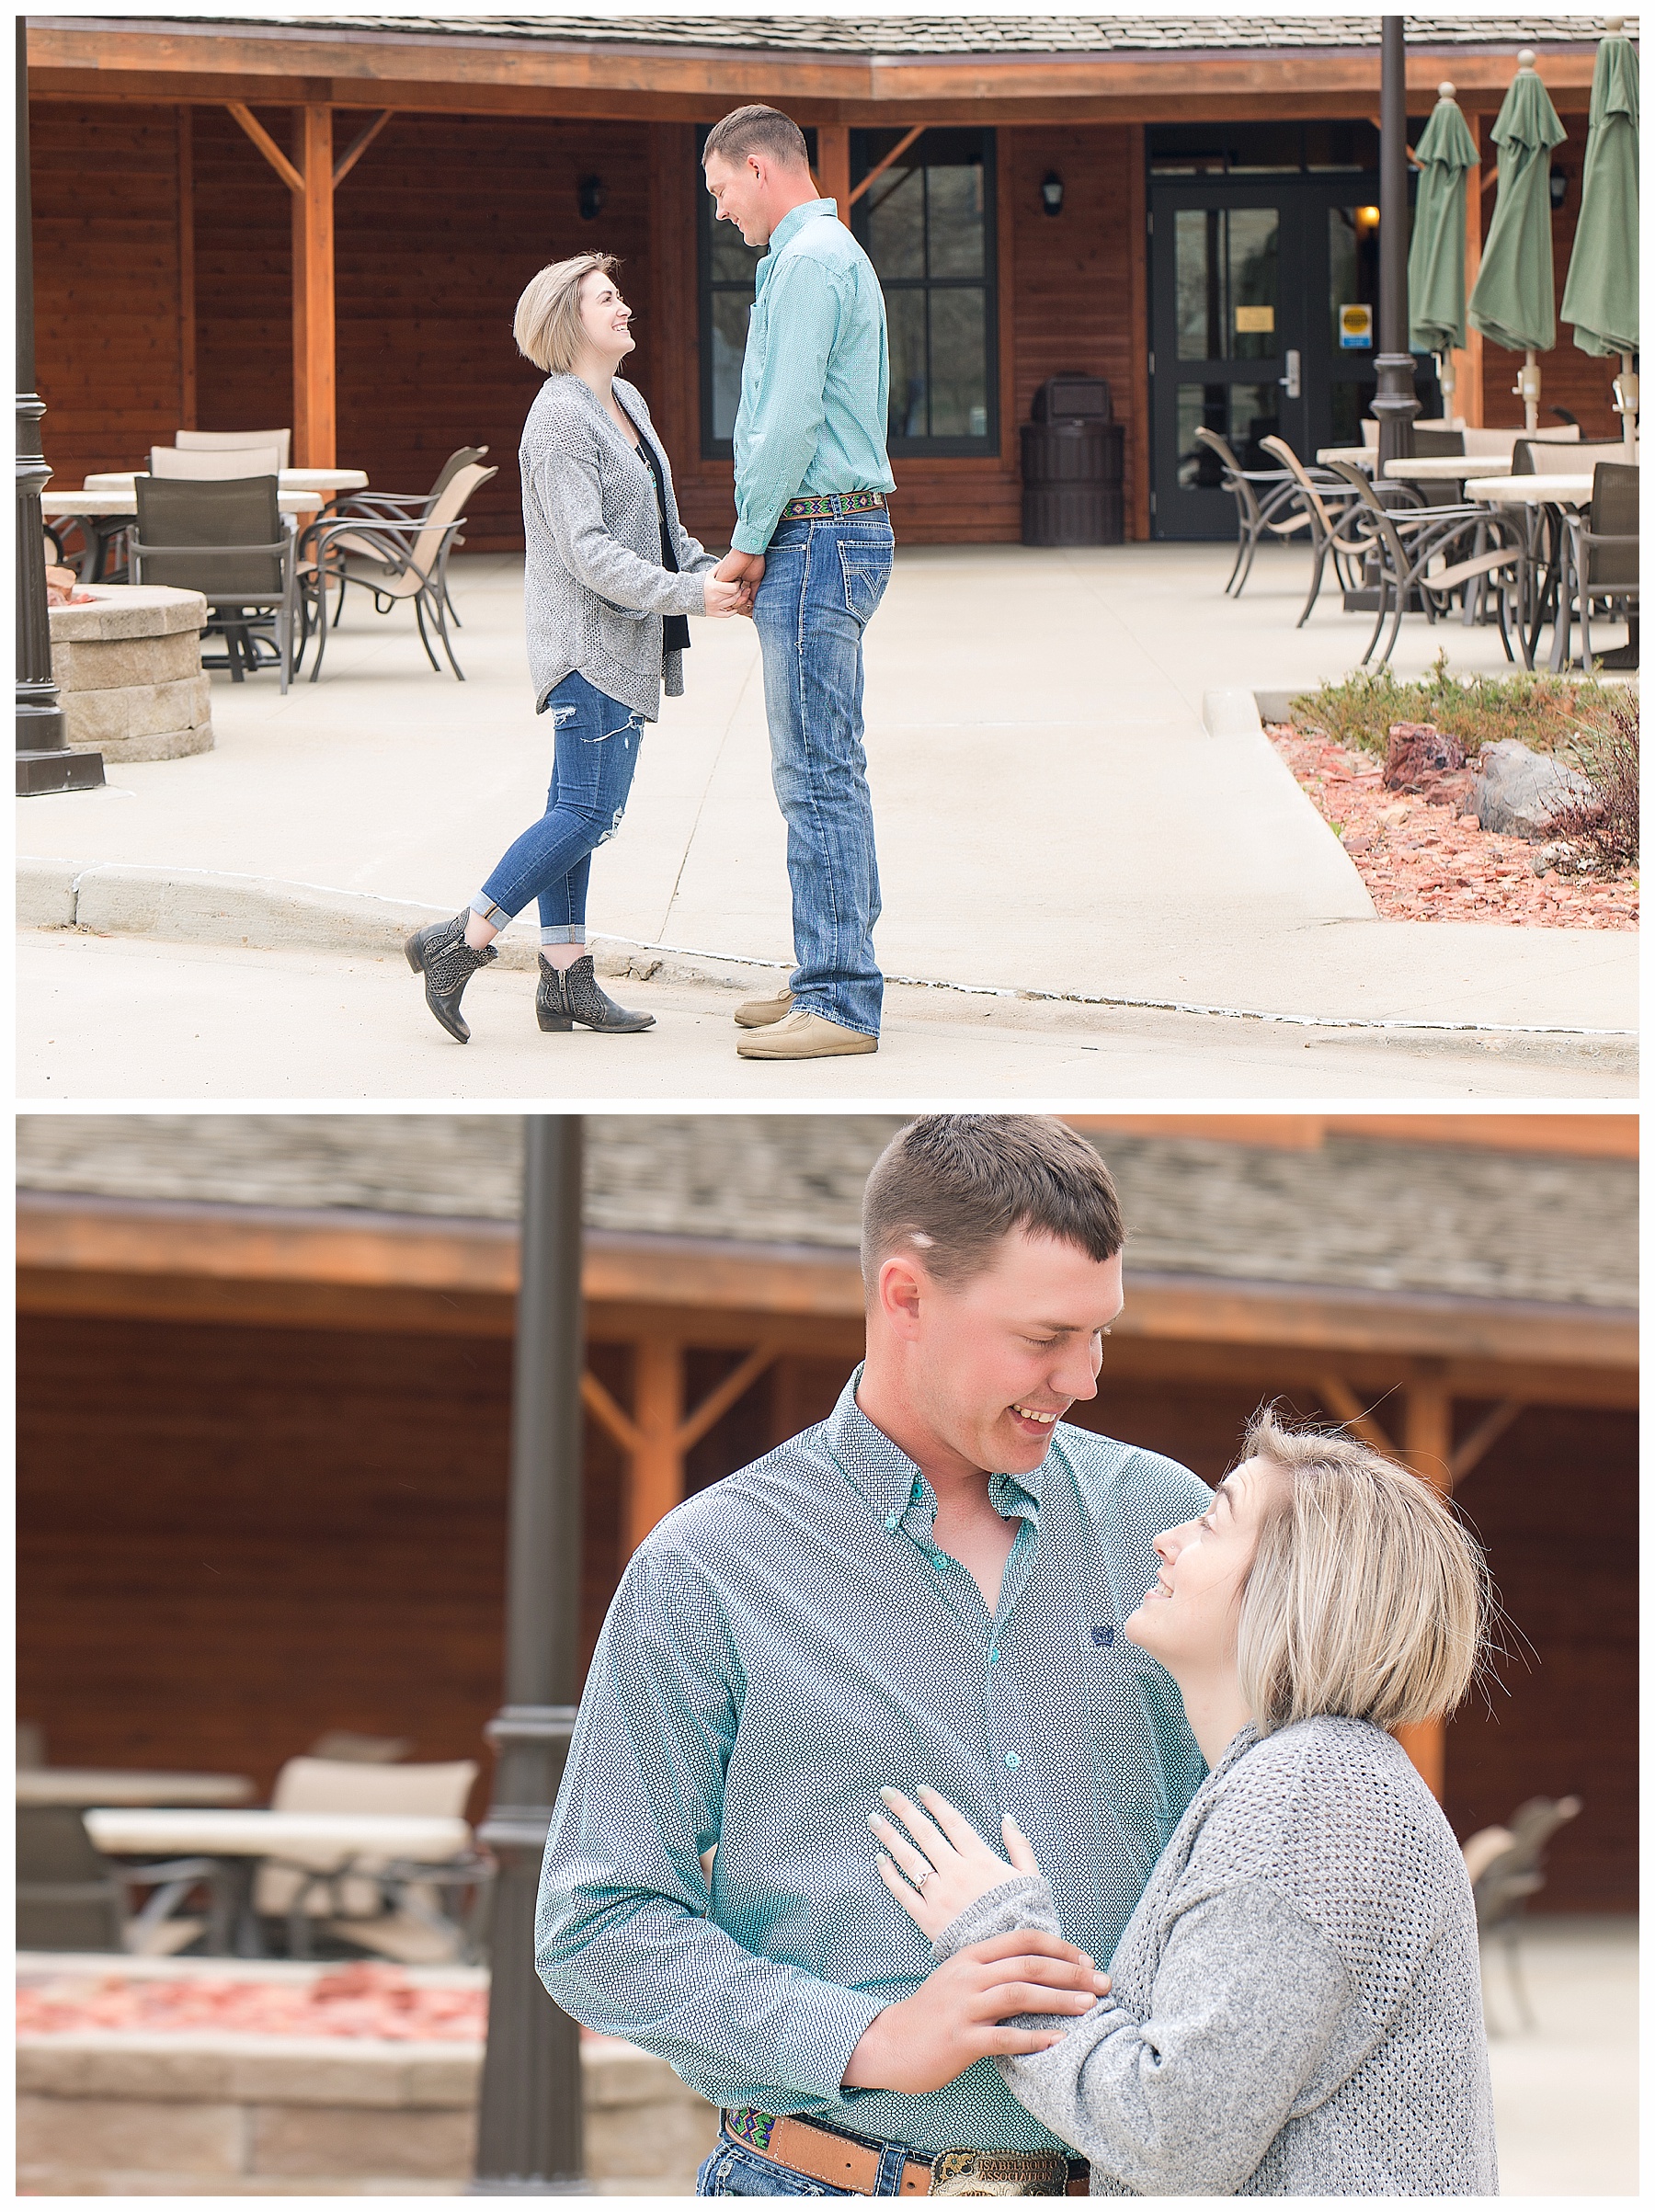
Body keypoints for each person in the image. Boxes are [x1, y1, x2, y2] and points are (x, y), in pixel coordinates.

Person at [537, 1115, 1215, 2196]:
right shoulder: (711, 1566)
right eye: (1044, 1339)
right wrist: (871, 2038)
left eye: (1100, 1334)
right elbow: (600, 1923)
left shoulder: (1174, 1529)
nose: (1084, 1379)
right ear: (906, 1298)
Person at [874, 1413, 1497, 2197]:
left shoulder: (1311, 1802)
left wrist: (1005, 1939)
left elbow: (1174, 2136)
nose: (1167, 1540)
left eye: (1211, 1523)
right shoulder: (1303, 1778)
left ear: (1291, 1584)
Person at [405, 253, 749, 1044]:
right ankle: (462, 940)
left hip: (625, 645)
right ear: (569, 320)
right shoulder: (559, 418)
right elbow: (589, 552)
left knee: (578, 812)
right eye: (608, 299)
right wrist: (691, 594)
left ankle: (564, 979)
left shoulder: (624, 399)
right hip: (586, 649)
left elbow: (658, 529)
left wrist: (711, 571)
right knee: (588, 812)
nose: (625, 308)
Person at [702, 106, 898, 1064]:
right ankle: (828, 963)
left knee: (815, 773)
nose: (721, 210)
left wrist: (745, 542)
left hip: (817, 538)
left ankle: (839, 997)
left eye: (721, 191)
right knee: (826, 767)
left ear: (756, 167)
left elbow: (787, 426)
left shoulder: (814, 261)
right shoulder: (811, 257)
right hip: (827, 536)